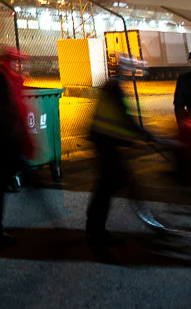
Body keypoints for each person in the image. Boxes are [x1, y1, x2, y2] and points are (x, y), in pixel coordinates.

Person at [85, 55, 150, 245]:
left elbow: (120, 118)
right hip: (104, 141)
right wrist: (143, 134)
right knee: (107, 185)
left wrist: (135, 136)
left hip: (105, 140)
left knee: (107, 184)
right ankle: (96, 229)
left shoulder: (114, 85)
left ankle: (94, 226)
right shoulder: (115, 87)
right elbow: (124, 115)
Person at [0, 48, 35, 250]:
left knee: (1, 186)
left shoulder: (3, 79)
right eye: (15, 61)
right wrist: (19, 137)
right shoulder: (2, 81)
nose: (17, 65)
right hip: (8, 142)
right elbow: (9, 112)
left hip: (7, 141)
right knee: (12, 183)